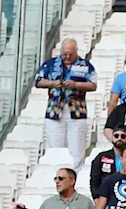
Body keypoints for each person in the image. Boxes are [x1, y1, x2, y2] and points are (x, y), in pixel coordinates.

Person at [34, 39, 98, 169]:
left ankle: (75, 176)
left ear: (76, 51)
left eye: (70, 54)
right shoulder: (50, 64)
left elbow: (93, 85)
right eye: (65, 54)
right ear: (61, 51)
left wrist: (76, 85)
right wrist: (52, 84)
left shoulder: (85, 65)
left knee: (77, 149)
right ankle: (53, 174)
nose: (67, 57)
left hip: (77, 110)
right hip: (55, 110)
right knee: (53, 147)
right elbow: (38, 81)